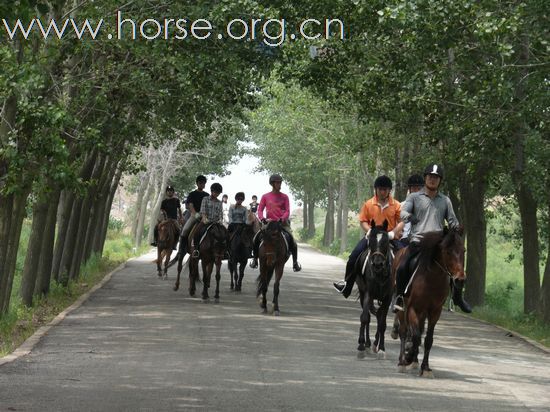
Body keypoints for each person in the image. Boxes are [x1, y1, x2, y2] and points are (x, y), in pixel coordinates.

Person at [392, 163, 472, 313]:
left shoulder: (445, 200)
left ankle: (457, 298)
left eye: (436, 177)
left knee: (457, 266)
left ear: (440, 180)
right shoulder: (414, 197)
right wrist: (410, 216)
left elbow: (452, 219)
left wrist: (456, 226)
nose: (432, 180)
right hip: (417, 242)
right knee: (403, 267)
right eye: (430, 177)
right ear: (425, 178)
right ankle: (400, 297)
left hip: (437, 244)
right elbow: (402, 213)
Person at [333, 175, 404, 298]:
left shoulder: (396, 205)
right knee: (353, 256)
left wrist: (393, 233)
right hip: (372, 238)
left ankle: (402, 292)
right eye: (380, 189)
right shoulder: (368, 204)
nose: (383, 192)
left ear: (389, 191)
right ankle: (347, 285)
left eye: (385, 189)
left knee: (405, 259)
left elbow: (402, 221)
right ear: (376, 189)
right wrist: (369, 231)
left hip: (389, 238)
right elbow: (363, 221)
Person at [249, 174, 302, 272]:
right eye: (277, 182)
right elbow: (260, 210)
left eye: (280, 182)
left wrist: (282, 219)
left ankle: (295, 263)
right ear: (272, 184)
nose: (279, 184)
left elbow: (287, 210)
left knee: (293, 241)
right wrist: (262, 219)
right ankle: (255, 259)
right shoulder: (265, 196)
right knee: (255, 238)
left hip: (282, 223)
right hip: (269, 223)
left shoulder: (285, 197)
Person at [191, 182, 224, 258]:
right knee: (197, 232)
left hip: (216, 222)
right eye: (216, 192)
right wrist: (205, 218)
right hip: (206, 221)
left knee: (224, 233)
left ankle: (225, 251)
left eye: (218, 193)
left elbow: (220, 213)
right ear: (212, 191)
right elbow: (203, 211)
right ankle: (196, 249)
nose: (217, 194)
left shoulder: (219, 202)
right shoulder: (205, 199)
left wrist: (220, 220)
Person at [179, 175, 209, 256]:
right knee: (185, 230)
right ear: (197, 183)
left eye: (203, 183)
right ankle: (182, 250)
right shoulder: (192, 194)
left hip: (204, 216)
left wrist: (205, 216)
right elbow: (191, 205)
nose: (202, 184)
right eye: (200, 183)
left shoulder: (207, 195)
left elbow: (208, 207)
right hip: (194, 215)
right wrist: (195, 214)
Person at [397, 174, 425, 248]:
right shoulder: (400, 206)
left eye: (419, 189)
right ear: (409, 189)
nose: (416, 191)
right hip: (404, 239)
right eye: (414, 188)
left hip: (422, 239)